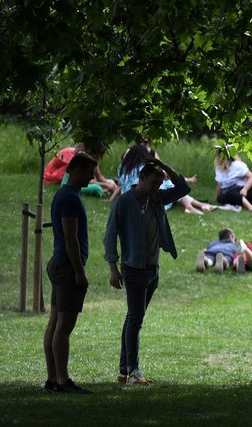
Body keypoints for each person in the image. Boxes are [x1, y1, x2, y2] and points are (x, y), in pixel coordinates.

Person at [104, 159, 191, 385]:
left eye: (159, 184)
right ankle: (133, 370)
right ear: (141, 178)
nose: (156, 187)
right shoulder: (124, 202)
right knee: (135, 318)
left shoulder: (156, 199)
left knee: (134, 318)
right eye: (153, 182)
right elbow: (110, 235)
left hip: (152, 268)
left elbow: (183, 188)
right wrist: (113, 268)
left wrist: (163, 165)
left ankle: (124, 371)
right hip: (133, 268)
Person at [43, 152, 98, 394]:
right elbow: (70, 238)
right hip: (66, 266)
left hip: (58, 264)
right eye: (88, 172)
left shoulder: (63, 195)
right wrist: (79, 271)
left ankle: (53, 379)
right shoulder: (70, 199)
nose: (91, 177)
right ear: (75, 170)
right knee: (63, 327)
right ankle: (63, 381)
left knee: (55, 323)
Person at [115, 143, 220, 214]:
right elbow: (166, 177)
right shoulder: (144, 167)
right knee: (170, 184)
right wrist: (163, 166)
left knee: (169, 185)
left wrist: (112, 199)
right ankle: (192, 207)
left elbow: (120, 186)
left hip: (128, 197)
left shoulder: (122, 168)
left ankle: (200, 205)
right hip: (143, 199)